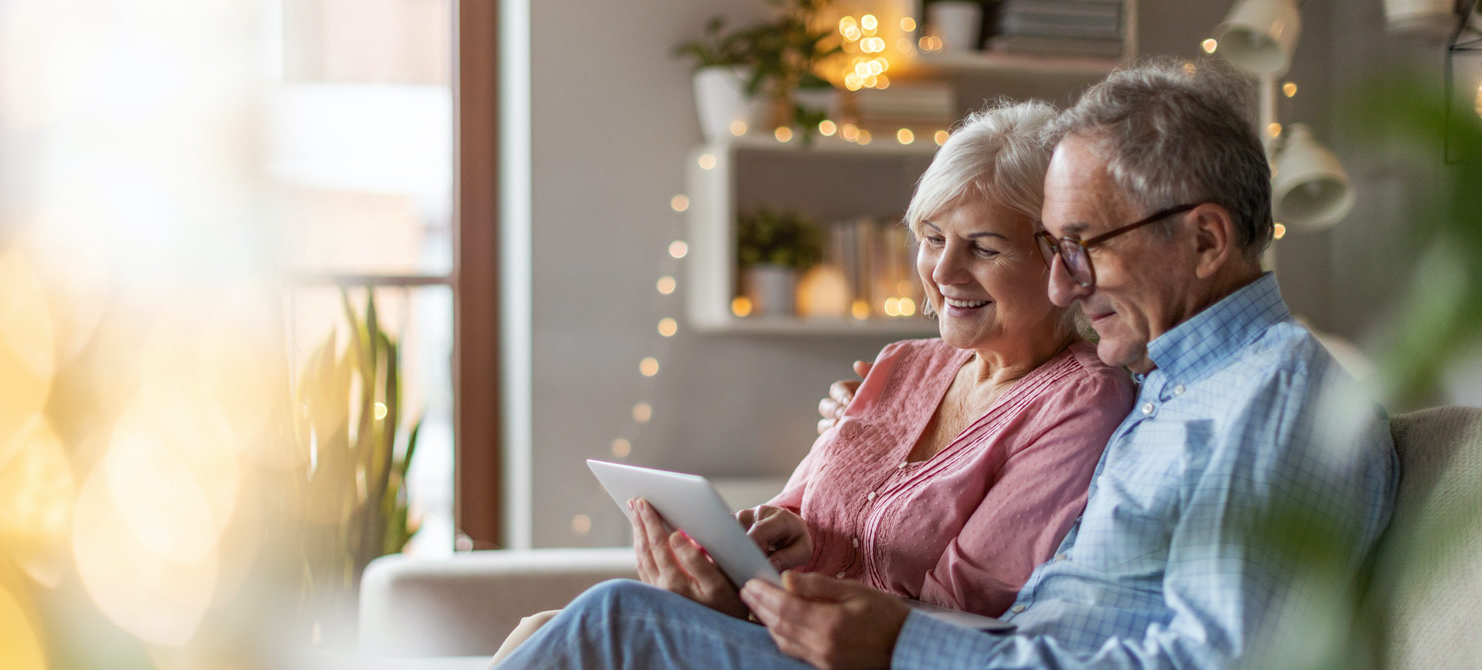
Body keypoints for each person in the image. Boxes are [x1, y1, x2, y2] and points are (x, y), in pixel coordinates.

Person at [494, 56, 1399, 670]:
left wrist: (904, 647)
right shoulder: (1176, 388)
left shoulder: (1270, 400)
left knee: (615, 622)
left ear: (1205, 239)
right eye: (1054, 246)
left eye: (1083, 245)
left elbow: (1209, 664)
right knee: (590, 624)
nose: (1064, 280)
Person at [489, 100, 1135, 665]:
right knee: (537, 630)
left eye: (984, 248)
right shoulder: (903, 364)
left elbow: (965, 607)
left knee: (610, 619)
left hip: (862, 660)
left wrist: (754, 604)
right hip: (780, 629)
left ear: (1063, 262)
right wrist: (769, 548)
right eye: (932, 238)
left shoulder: (1082, 400)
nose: (942, 271)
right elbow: (799, 515)